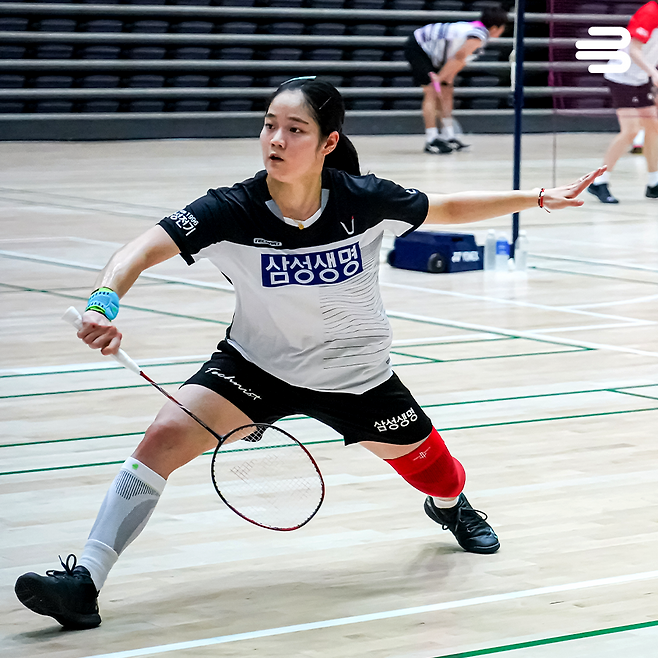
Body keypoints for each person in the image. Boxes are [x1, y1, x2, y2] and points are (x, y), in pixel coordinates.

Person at [14, 77, 604, 631]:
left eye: (295, 129)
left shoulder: (362, 199)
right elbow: (141, 249)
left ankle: (450, 507)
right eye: (270, 124)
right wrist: (102, 303)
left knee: (440, 475)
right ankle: (84, 582)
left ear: (328, 143)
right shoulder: (231, 208)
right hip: (256, 366)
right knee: (162, 438)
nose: (276, 138)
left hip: (357, 376)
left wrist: (538, 198)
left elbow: (443, 207)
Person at [404, 4, 508, 154]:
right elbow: (459, 57)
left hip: (439, 54)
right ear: (495, 28)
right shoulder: (478, 36)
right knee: (431, 91)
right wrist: (439, 79)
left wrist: (445, 79)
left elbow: (459, 60)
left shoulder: (477, 31)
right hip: (419, 47)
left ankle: (448, 135)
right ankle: (431, 139)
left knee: (447, 90)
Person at [588, 0, 658, 203]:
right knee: (631, 131)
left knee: (653, 128)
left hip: (641, 79)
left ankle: (654, 183)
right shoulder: (650, 12)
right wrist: (653, 73)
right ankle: (599, 182)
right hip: (622, 77)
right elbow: (634, 50)